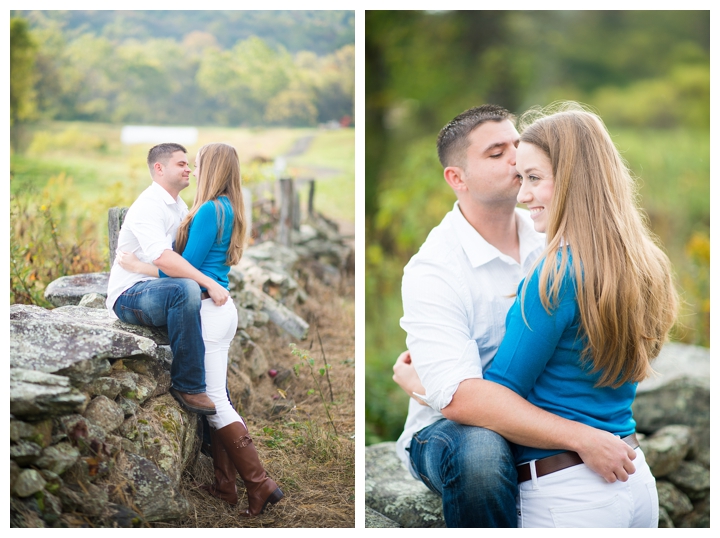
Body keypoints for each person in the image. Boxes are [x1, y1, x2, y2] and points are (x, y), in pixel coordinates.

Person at [392, 105, 639, 527]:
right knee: (482, 452)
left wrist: (422, 384)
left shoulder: (552, 233)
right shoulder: (434, 269)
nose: (515, 157)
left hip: (543, 416)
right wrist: (582, 438)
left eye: (516, 144)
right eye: (495, 152)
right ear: (458, 178)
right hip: (448, 432)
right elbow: (458, 400)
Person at [480, 104, 676, 526]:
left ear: (573, 181)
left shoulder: (554, 276)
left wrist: (422, 385)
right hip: (634, 481)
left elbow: (499, 397)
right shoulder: (648, 264)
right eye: (521, 179)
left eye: (534, 179)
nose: (523, 195)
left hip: (568, 495)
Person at [117, 142, 284, 517]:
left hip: (209, 309)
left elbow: (183, 268)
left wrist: (135, 266)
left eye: (197, 164)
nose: (192, 168)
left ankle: (260, 485)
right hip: (220, 308)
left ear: (211, 168)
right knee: (217, 394)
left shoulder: (210, 210)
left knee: (216, 401)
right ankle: (227, 485)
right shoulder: (229, 208)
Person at [107, 143, 230, 415]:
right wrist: (209, 283)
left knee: (208, 333)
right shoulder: (149, 206)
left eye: (189, 163)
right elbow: (163, 259)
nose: (189, 169)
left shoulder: (178, 205)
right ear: (159, 169)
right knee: (185, 288)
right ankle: (188, 385)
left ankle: (220, 437)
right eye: (181, 164)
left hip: (159, 288)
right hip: (131, 293)